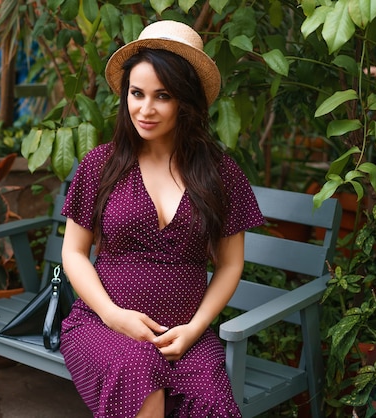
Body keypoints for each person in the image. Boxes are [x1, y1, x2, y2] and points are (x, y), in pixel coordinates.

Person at [60, 20, 265, 418]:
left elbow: (230, 263)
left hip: (185, 335)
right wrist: (113, 316)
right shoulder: (101, 163)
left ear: (186, 102)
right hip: (101, 326)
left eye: (163, 96)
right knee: (139, 374)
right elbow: (74, 253)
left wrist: (194, 328)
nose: (145, 109)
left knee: (213, 405)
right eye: (136, 93)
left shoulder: (219, 172)